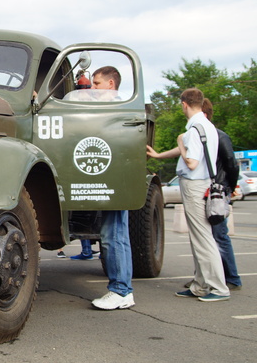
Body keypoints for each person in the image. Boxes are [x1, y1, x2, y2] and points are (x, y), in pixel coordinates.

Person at [147, 98, 242, 290]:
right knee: (206, 237)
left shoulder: (195, 129)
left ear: (185, 104)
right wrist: (162, 153)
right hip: (206, 185)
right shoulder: (209, 129)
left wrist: (180, 141)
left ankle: (218, 285)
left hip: (196, 184)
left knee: (206, 239)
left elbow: (192, 161)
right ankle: (203, 283)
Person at [85, 66, 135, 310]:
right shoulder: (118, 107)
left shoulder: (118, 109)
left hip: (114, 181)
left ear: (111, 84)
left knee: (113, 236)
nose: (92, 88)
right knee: (117, 235)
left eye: (96, 84)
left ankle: (121, 290)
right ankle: (123, 289)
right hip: (112, 180)